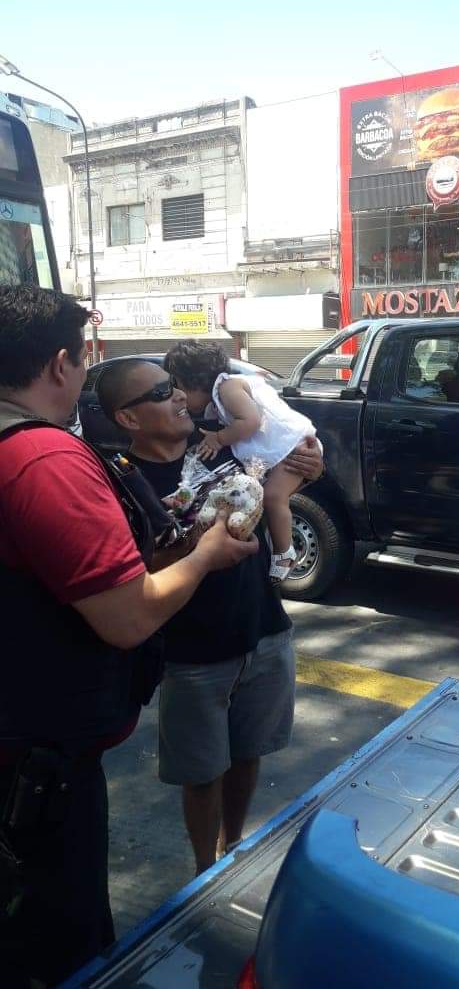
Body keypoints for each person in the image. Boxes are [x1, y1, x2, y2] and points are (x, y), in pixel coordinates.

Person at [0, 286, 258, 988]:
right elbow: (127, 616)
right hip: (38, 762)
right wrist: (206, 556)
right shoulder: (46, 461)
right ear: (61, 363)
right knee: (61, 944)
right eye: (83, 358)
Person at [96, 358, 323, 875]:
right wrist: (196, 551)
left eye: (174, 385)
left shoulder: (227, 440)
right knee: (203, 772)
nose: (179, 397)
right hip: (193, 652)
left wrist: (309, 468)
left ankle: (234, 847)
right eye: (160, 392)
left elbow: (282, 477)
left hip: (264, 629)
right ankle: (204, 870)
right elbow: (135, 572)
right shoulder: (123, 483)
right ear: (128, 419)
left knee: (248, 755)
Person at [163, 341, 318, 582]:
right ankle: (279, 547)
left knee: (274, 497)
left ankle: (284, 553)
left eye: (177, 385)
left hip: (293, 446)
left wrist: (219, 439)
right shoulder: (218, 403)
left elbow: (252, 421)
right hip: (285, 449)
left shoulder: (227, 388)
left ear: (195, 381)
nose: (178, 395)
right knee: (270, 496)